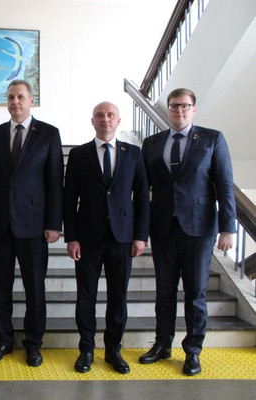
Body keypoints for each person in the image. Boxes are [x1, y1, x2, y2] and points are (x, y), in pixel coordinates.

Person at [140, 88, 236, 376]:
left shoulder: (211, 139)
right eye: (174, 106)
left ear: (193, 109)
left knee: (195, 293)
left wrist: (228, 228)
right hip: (162, 229)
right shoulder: (152, 143)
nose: (179, 111)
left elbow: (224, 185)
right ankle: (162, 344)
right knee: (164, 291)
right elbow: (142, 190)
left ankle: (193, 351)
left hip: (199, 230)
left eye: (184, 106)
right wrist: (140, 230)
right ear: (168, 109)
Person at [0, 80, 64, 367]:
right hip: (0, 226)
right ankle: (4, 340)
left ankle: (33, 343)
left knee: (35, 289)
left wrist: (54, 223)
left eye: (20, 97)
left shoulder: (49, 134)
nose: (15, 101)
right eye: (10, 97)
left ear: (31, 100)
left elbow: (55, 180)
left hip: (35, 225)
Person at [64, 102, 149, 374]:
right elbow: (69, 199)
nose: (105, 119)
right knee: (86, 296)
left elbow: (142, 198)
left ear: (118, 120)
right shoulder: (79, 154)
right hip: (87, 238)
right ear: (93, 121)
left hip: (122, 237)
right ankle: (86, 349)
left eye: (110, 115)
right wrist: (71, 237)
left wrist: (140, 236)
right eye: (99, 115)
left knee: (118, 297)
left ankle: (113, 350)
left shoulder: (133, 153)